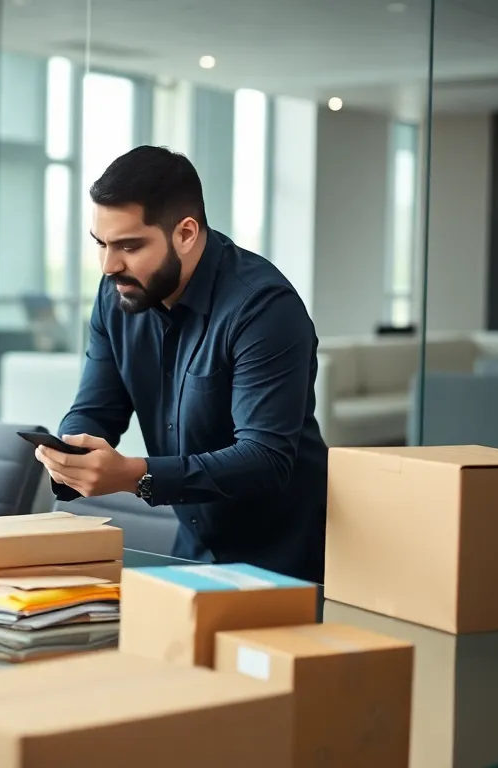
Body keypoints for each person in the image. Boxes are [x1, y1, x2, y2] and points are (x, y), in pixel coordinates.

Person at [34, 146, 328, 582]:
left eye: (130, 246)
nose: (109, 265)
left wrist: (136, 475)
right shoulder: (117, 296)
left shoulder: (264, 308)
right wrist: (73, 452)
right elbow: (97, 407)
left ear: (186, 233)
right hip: (191, 550)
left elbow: (265, 458)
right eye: (101, 244)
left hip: (285, 561)